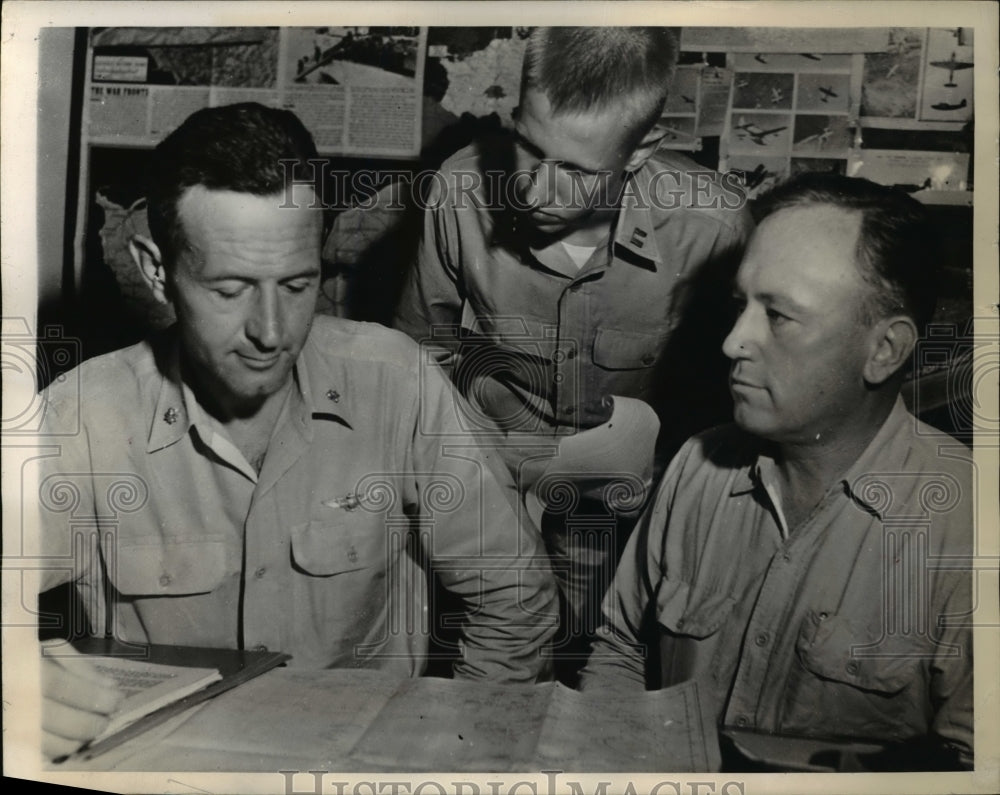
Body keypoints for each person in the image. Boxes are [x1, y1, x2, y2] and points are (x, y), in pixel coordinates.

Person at [36, 103, 558, 760]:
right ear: (156, 268)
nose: (273, 331)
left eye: (297, 283)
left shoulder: (395, 382)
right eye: (231, 288)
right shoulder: (82, 416)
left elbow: (515, 594)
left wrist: (451, 745)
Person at [393, 27, 753, 680]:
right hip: (488, 502)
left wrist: (651, 483)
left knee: (599, 698)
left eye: (578, 171)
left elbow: (724, 414)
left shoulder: (714, 230)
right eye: (530, 150)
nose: (534, 191)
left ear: (644, 148)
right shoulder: (459, 191)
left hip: (626, 527)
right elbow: (422, 356)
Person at [579, 173, 973, 770]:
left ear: (885, 350)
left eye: (779, 316)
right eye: (741, 306)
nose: (734, 342)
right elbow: (619, 652)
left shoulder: (971, 523)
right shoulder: (697, 466)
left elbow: (972, 766)